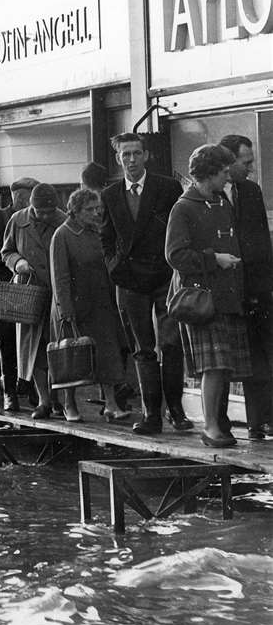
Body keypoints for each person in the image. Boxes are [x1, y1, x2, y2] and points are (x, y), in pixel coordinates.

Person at [99, 132, 189, 435]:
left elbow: (178, 229)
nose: (132, 160)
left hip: (165, 275)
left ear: (146, 155)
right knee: (142, 347)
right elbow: (106, 237)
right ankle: (152, 414)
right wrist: (116, 268)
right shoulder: (110, 195)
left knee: (171, 343)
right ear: (118, 158)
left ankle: (176, 411)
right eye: (126, 155)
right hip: (130, 279)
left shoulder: (167, 187)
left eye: (137, 153)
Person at [166, 143, 250, 449]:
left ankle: (219, 425)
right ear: (209, 173)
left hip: (225, 296)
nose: (229, 177)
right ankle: (212, 427)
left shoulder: (221, 201)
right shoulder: (183, 207)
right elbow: (175, 255)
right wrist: (214, 259)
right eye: (225, 172)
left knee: (223, 366)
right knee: (213, 366)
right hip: (201, 299)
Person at [51, 187, 130, 422]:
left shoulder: (98, 232)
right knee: (73, 355)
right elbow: (60, 276)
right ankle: (69, 403)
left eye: (98, 209)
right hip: (75, 306)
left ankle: (111, 404)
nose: (96, 213)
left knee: (108, 353)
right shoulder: (62, 235)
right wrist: (65, 310)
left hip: (101, 303)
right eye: (90, 209)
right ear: (75, 211)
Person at [219, 134, 273, 440]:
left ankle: (260, 421)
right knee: (225, 360)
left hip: (255, 287)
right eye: (246, 162)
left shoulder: (250, 191)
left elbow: (262, 240)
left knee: (260, 354)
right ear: (228, 160)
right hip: (227, 289)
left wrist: (265, 285)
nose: (251, 168)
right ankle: (220, 422)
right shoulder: (210, 195)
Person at [2, 182, 66, 418]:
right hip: (30, 291)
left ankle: (59, 399)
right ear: (32, 206)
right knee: (34, 348)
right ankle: (44, 400)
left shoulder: (63, 219)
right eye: (41, 212)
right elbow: (6, 251)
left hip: (57, 290)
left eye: (50, 212)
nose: (46, 216)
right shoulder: (18, 221)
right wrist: (18, 263)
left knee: (58, 345)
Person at [0, 178, 35, 411]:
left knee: (32, 340)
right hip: (4, 287)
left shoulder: (35, 218)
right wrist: (11, 258)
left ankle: (33, 392)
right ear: (19, 196)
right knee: (7, 340)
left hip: (30, 286)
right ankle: (9, 392)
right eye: (30, 196)